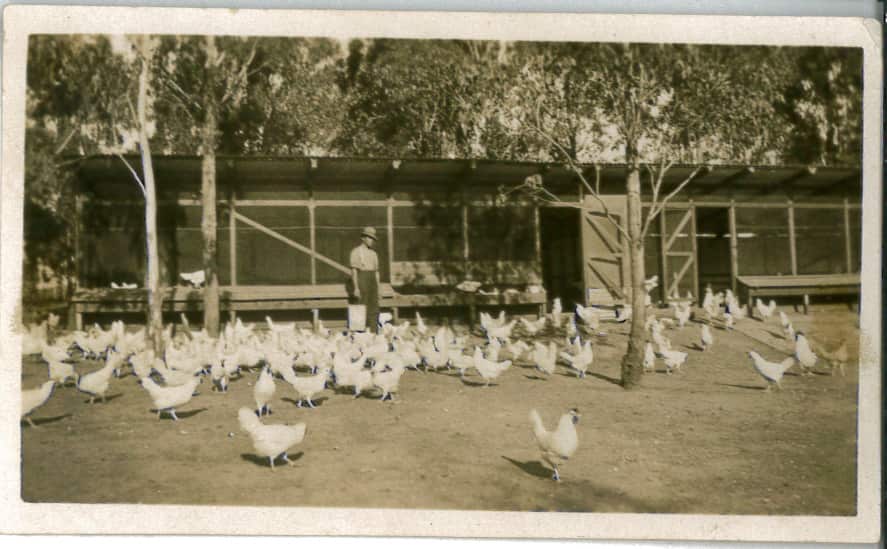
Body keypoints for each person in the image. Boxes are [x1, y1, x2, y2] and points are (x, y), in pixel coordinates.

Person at [349, 226, 380, 332]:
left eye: (373, 239)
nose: (372, 241)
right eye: (370, 238)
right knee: (360, 306)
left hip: (372, 282)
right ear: (363, 238)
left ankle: (373, 333)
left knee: (374, 308)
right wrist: (356, 288)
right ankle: (358, 333)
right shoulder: (356, 252)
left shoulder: (374, 254)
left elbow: (376, 273)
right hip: (362, 279)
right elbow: (354, 271)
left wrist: (378, 289)